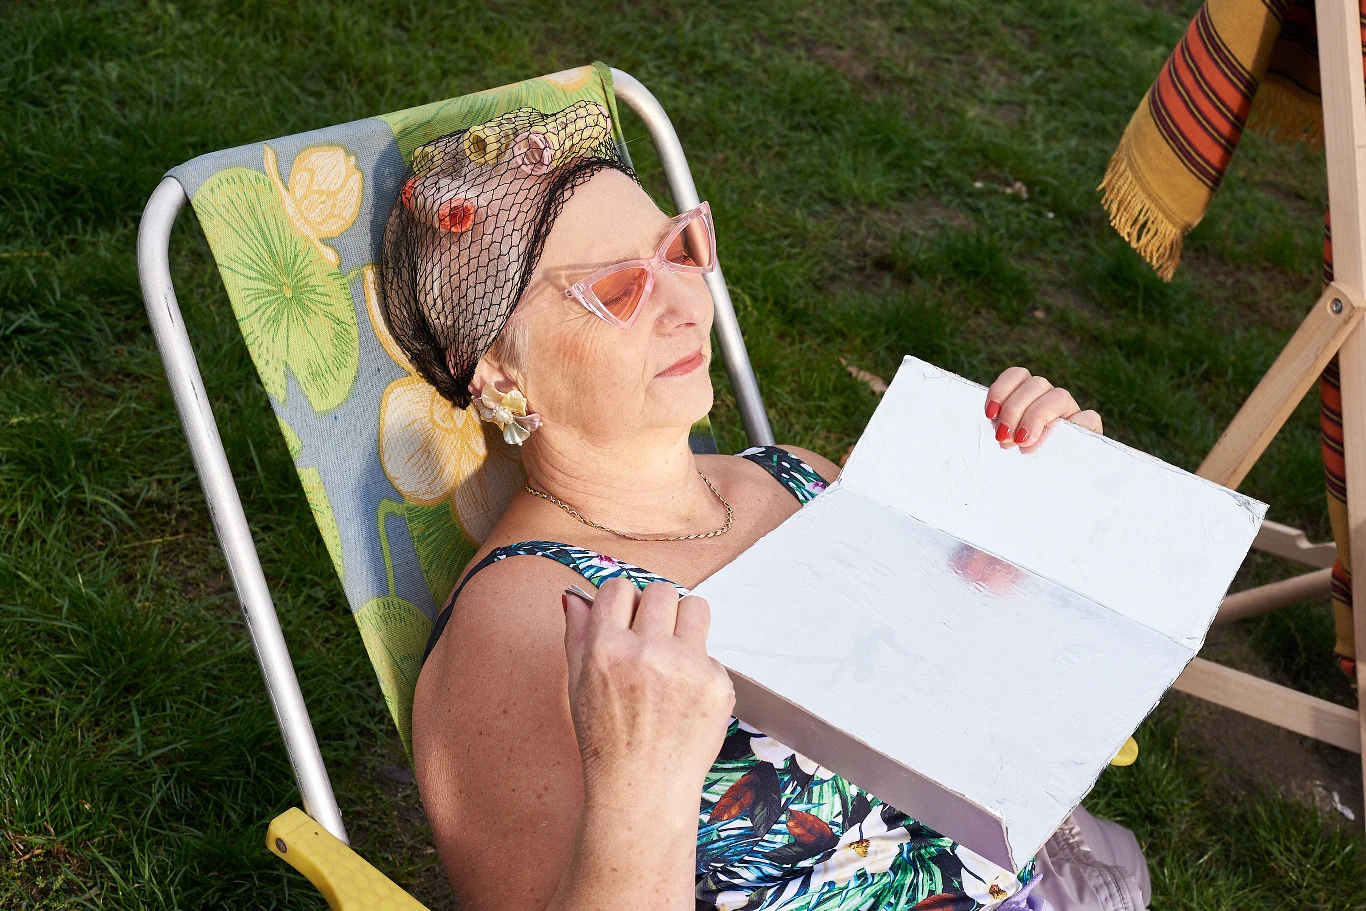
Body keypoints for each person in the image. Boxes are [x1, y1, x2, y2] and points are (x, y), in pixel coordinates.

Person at [384, 103, 1151, 911]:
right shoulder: (522, 629)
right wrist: (639, 781)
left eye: (678, 249)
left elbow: (992, 721)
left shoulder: (798, 478)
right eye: (616, 288)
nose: (684, 305)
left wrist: (1026, 527)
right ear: (502, 375)